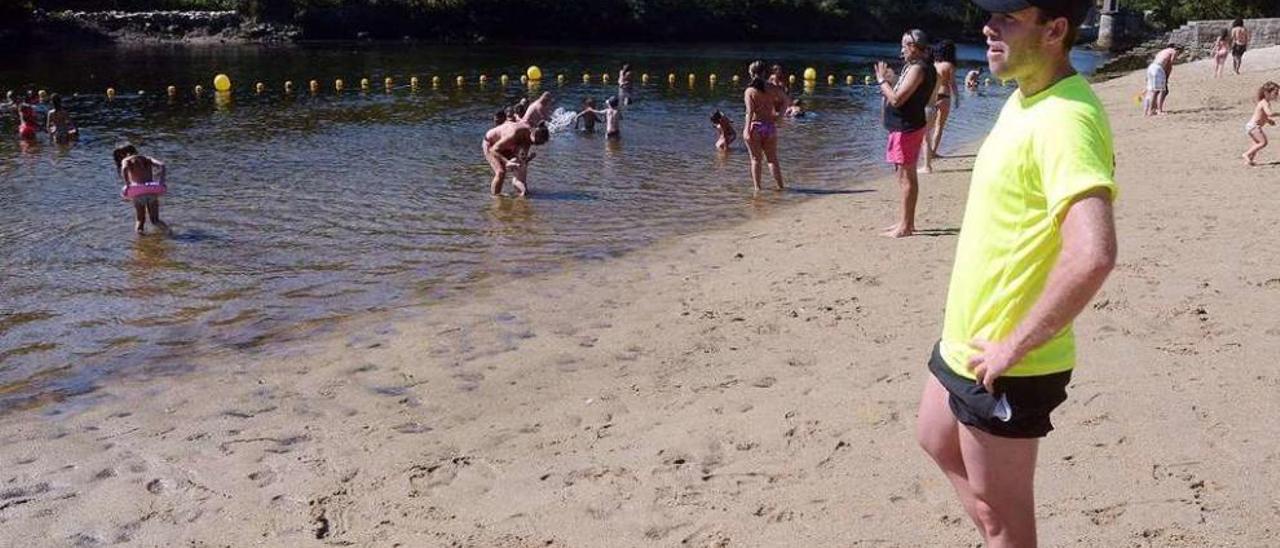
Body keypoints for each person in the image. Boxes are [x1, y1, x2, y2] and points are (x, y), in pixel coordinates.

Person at [918, 2, 1118, 548]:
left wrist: (1014, 346)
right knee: (934, 438)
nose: (988, 26)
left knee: (1003, 517)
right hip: (966, 342)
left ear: (1054, 31)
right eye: (991, 15)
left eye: (1008, 17)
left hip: (1010, 363)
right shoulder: (1026, 98)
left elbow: (1093, 253)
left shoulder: (1068, 120)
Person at [875, 28, 936, 237]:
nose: (902, 50)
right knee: (902, 175)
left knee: (907, 177)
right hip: (903, 126)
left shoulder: (919, 68)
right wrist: (891, 81)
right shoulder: (915, 67)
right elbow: (903, 95)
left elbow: (896, 99)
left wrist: (882, 81)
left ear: (912, 47)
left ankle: (906, 225)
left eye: (904, 45)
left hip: (907, 127)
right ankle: (904, 221)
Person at [743, 60, 785, 192]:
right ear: (764, 73)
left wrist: (746, 129)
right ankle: (781, 187)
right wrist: (779, 117)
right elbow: (786, 101)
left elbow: (750, 112)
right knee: (772, 160)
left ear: (751, 74)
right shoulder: (772, 88)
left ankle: (757, 189)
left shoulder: (750, 91)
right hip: (770, 127)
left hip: (755, 126)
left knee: (756, 160)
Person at [482, 120, 549, 197]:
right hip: (490, 144)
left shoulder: (529, 138)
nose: (535, 145)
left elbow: (523, 162)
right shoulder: (514, 133)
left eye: (538, 144)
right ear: (532, 133)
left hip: (506, 146)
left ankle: (522, 193)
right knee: (501, 172)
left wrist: (528, 159)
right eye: (536, 142)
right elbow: (493, 150)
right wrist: (507, 162)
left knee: (519, 163)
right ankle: (496, 198)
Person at [114, 144, 170, 234]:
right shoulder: (147, 158)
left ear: (122, 154)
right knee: (155, 220)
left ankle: (140, 242)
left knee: (140, 220)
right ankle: (170, 234)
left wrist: (128, 184)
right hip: (151, 192)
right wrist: (161, 181)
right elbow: (162, 165)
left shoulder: (126, 160)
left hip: (138, 193)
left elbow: (124, 169)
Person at [925, 40, 959, 171]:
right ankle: (933, 152)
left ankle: (926, 153)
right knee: (939, 126)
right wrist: (957, 98)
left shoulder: (934, 64)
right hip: (944, 96)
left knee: (928, 127)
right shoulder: (949, 65)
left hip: (932, 97)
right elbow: (953, 84)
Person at [1243, 81, 1278, 166]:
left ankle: (1250, 160)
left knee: (1256, 143)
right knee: (1263, 142)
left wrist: (1268, 121)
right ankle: (1246, 154)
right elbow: (1269, 113)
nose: (1276, 95)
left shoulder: (1264, 102)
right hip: (1254, 126)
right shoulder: (1264, 103)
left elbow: (1262, 115)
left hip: (1252, 126)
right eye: (1275, 93)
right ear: (1267, 93)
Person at [1144, 44, 1179, 116]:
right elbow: (1170, 64)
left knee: (1154, 90)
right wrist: (1166, 77)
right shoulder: (1173, 51)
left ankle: (1151, 109)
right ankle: (1158, 110)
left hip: (1151, 67)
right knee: (1161, 90)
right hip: (1158, 69)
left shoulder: (1162, 51)